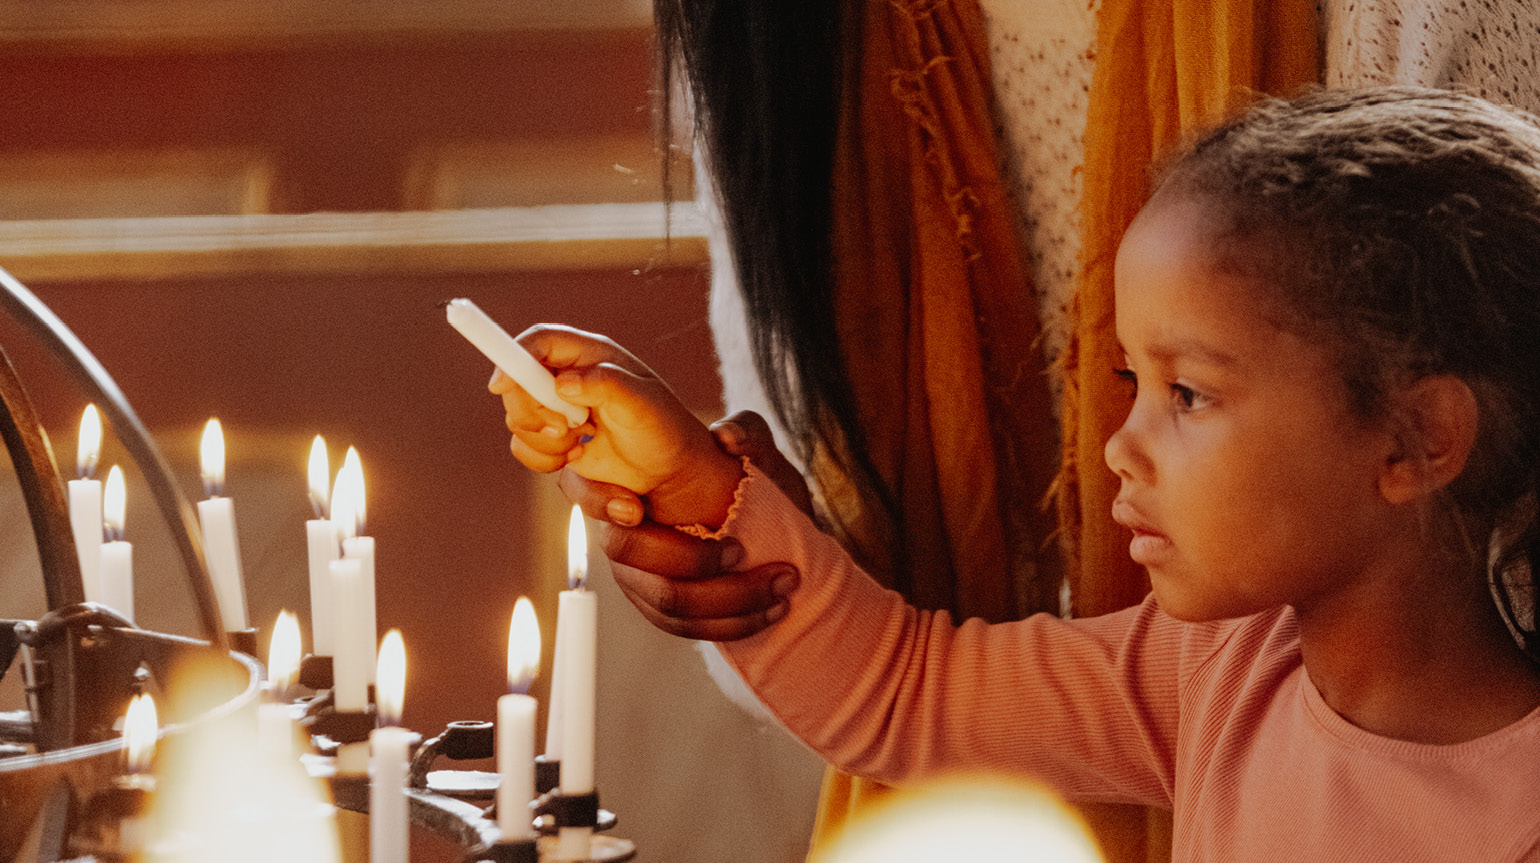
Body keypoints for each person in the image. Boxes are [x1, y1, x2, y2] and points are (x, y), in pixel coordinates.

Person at [494, 87, 1540, 858]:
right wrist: (691, 484)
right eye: (1134, 379)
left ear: (1415, 438)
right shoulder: (1220, 671)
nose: (1119, 447)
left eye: (1189, 395)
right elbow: (905, 692)